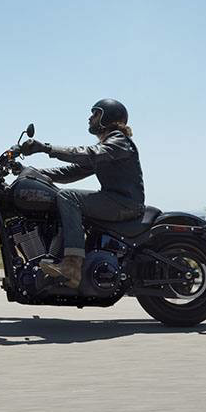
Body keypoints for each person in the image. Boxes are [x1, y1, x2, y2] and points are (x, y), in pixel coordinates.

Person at [19, 99, 145, 288]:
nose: (90, 118)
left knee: (67, 196)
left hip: (124, 203)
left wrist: (46, 148)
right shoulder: (107, 148)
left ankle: (72, 266)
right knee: (62, 197)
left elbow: (89, 154)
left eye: (96, 114)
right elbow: (72, 172)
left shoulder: (118, 141)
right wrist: (32, 172)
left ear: (108, 117)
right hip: (115, 201)